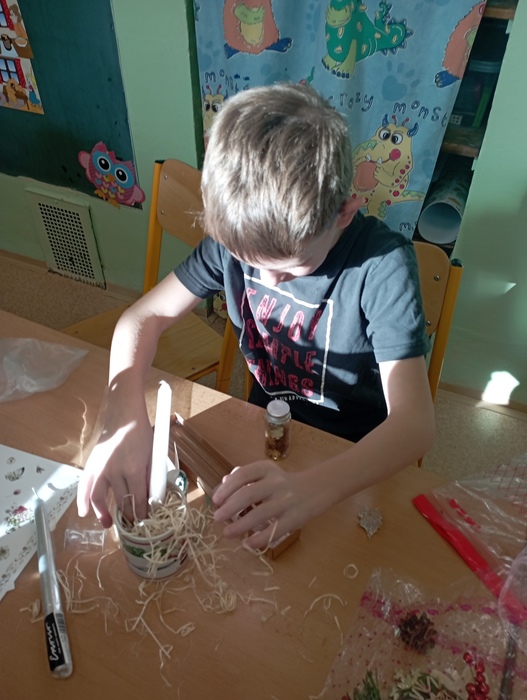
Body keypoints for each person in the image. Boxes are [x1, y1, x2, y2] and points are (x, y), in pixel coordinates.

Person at [77, 83, 435, 549]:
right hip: (267, 431)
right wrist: (120, 411)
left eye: (288, 269)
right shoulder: (237, 241)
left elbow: (414, 426)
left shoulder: (382, 266)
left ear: (344, 213)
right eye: (249, 263)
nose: (265, 281)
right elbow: (142, 318)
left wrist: (313, 489)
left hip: (352, 462)